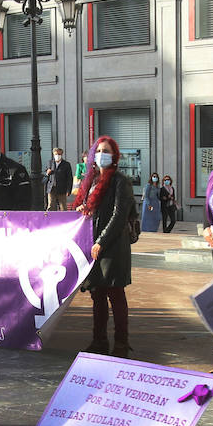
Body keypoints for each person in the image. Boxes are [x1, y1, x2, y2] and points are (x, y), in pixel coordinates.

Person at [71, 136, 136, 357]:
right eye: (98, 150)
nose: (101, 154)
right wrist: (82, 209)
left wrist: (101, 241)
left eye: (106, 150)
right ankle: (99, 340)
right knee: (97, 295)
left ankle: (121, 343)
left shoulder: (120, 181)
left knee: (115, 295)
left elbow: (119, 215)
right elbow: (90, 209)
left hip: (113, 246)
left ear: (114, 155)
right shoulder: (90, 181)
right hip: (93, 244)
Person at [45, 146, 74, 211]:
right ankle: (51, 219)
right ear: (53, 154)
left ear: (61, 154)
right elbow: (46, 173)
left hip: (62, 189)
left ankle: (64, 220)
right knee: (51, 206)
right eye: (56, 154)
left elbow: (69, 178)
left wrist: (68, 190)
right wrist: (47, 173)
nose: (57, 155)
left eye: (59, 154)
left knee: (63, 206)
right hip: (51, 188)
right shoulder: (50, 162)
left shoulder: (66, 164)